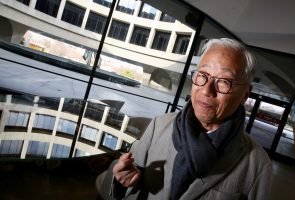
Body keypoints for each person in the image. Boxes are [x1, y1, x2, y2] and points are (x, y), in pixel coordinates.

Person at [99, 38, 272, 200]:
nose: (206, 90)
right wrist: (122, 182)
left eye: (224, 81)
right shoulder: (159, 126)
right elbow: (129, 185)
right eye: (202, 75)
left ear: (245, 95)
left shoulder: (257, 164)